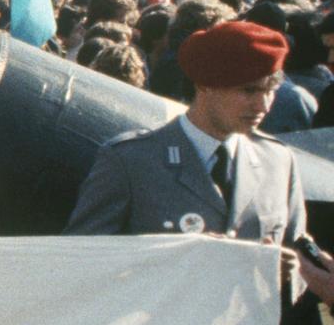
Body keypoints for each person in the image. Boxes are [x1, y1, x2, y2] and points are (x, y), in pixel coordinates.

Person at [66, 20, 307, 241]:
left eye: (270, 90)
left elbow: (299, 254)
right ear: (205, 84)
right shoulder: (132, 162)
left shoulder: (278, 161)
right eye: (249, 91)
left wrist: (289, 273)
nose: (263, 105)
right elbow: (83, 258)